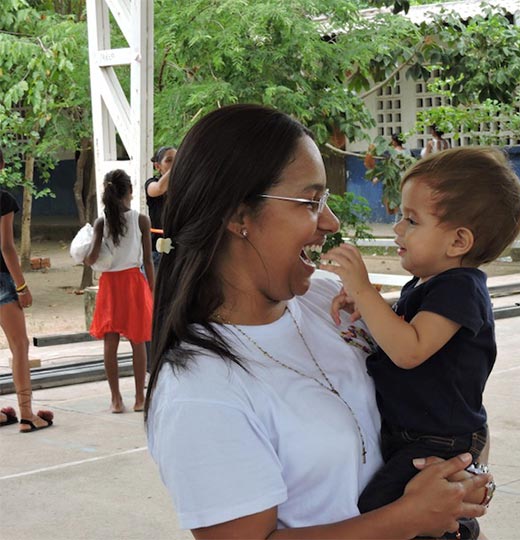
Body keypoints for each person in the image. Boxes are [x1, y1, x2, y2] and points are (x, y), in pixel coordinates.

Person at [144, 104, 491, 538]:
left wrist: (466, 475)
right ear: (238, 216)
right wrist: (408, 518)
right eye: (310, 202)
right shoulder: (201, 390)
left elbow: (447, 396)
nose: (331, 221)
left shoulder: (329, 299)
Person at [324, 146, 520, 539]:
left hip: (440, 440)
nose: (397, 229)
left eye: (411, 220)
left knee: (384, 513)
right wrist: (372, 306)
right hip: (421, 434)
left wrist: (363, 291)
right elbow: (409, 326)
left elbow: (410, 349)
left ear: (458, 241)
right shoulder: (432, 284)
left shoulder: (461, 290)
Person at [85, 169, 154, 413]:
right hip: (134, 283)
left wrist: (94, 236)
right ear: (130, 192)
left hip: (110, 285)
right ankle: (139, 398)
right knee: (138, 342)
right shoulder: (141, 220)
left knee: (110, 342)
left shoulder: (101, 222)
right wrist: (152, 292)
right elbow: (148, 261)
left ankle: (115, 399)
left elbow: (90, 259)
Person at [0, 147, 53, 432]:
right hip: (2, 282)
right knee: (19, 345)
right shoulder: (3, 200)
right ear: (2, 164)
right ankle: (26, 415)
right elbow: (7, 248)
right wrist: (21, 286)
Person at [145, 146, 176, 268]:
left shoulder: (184, 186)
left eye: (177, 159)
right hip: (157, 251)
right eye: (169, 160)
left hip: (180, 249)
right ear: (157, 166)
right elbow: (158, 189)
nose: (174, 163)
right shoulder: (151, 183)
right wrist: (177, 167)